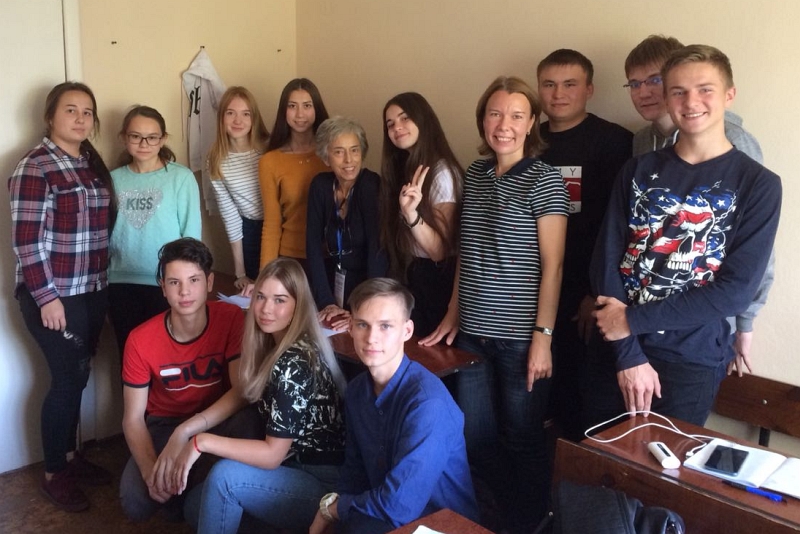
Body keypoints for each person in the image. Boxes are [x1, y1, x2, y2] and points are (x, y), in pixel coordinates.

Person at [591, 45, 782, 427]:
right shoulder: (637, 168)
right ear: (667, 98)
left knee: (665, 463)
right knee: (591, 460)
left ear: (729, 95)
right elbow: (605, 261)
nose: (691, 101)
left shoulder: (760, 184)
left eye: (705, 89)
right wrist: (628, 351)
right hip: (614, 348)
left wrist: (630, 321)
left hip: (689, 359)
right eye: (678, 91)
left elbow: (735, 291)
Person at [421, 76, 569, 532]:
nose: (504, 124)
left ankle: (532, 522)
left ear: (531, 123)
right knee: (477, 438)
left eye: (516, 115)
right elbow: (467, 252)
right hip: (472, 335)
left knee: (523, 438)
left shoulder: (545, 179)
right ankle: (500, 518)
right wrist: (453, 312)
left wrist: (543, 338)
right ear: (483, 119)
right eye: (495, 113)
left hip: (521, 338)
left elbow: (554, 267)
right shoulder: (477, 173)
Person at [623, 35, 775, 381]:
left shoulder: (734, 142)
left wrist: (745, 321)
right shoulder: (642, 142)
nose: (644, 92)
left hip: (703, 323)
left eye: (654, 80)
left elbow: (757, 243)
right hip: (641, 317)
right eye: (635, 83)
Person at [9, 81, 117, 512]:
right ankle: (55, 473)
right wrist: (47, 298)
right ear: (50, 117)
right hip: (54, 295)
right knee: (66, 380)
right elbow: (27, 241)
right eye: (71, 110)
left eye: (88, 111)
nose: (81, 118)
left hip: (91, 290)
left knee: (80, 376)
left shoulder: (89, 165)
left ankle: (71, 458)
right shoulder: (35, 167)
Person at [187, 258, 347, 534]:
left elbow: (273, 455)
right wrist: (189, 429)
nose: (265, 309)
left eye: (279, 300)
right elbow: (243, 394)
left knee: (223, 479)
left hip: (321, 485)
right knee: (194, 506)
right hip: (292, 467)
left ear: (298, 306)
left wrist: (201, 442)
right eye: (260, 296)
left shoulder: (294, 361)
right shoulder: (274, 343)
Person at [310, 278, 477, 534]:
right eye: (362, 325)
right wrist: (338, 515)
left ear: (407, 331)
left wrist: (334, 509)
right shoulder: (356, 391)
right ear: (350, 327)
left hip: (440, 525)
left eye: (385, 326)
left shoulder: (427, 404)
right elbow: (354, 471)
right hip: (382, 514)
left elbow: (399, 506)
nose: (371, 338)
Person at [535, 49, 633, 440]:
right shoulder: (527, 138)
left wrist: (596, 292)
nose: (558, 94)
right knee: (537, 397)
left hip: (587, 295)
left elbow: (620, 228)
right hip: (532, 288)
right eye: (549, 84)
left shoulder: (615, 142)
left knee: (579, 401)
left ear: (589, 89)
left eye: (569, 84)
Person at [120, 238, 251, 522]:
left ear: (209, 282)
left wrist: (187, 432)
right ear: (163, 287)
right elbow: (132, 419)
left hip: (217, 419)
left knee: (250, 422)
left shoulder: (231, 317)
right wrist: (151, 472)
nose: (185, 291)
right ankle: (188, 487)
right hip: (165, 425)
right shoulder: (140, 340)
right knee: (135, 501)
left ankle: (197, 489)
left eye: (194, 280)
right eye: (174, 282)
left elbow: (241, 391)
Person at [108, 105, 201, 357]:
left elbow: (191, 237)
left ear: (163, 139)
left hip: (166, 284)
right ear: (124, 137)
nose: (144, 144)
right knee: (129, 357)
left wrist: (189, 283)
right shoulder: (112, 179)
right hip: (120, 283)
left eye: (152, 137)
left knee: (166, 358)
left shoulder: (181, 178)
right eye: (135, 136)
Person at [381, 92, 463, 337]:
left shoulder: (442, 173)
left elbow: (440, 251)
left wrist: (411, 214)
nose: (397, 127)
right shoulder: (403, 168)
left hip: (436, 280)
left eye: (405, 118)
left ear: (423, 120)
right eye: (390, 123)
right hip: (410, 274)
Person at [306, 117, 386, 331]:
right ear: (326, 157)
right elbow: (312, 247)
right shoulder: (320, 186)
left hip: (369, 290)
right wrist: (326, 302)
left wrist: (362, 309)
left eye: (355, 150)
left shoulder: (370, 185)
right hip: (332, 286)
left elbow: (377, 253)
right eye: (339, 152)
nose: (349, 160)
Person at [258, 78, 330, 270]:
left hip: (330, 255)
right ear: (284, 111)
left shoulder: (332, 154)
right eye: (292, 106)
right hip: (291, 259)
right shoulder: (270, 161)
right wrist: (266, 274)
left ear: (316, 109)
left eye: (307, 105)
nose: (300, 114)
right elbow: (272, 224)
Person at [207, 86, 270, 290]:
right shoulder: (215, 160)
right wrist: (240, 272)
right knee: (256, 290)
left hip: (279, 226)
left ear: (254, 118)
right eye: (230, 113)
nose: (238, 121)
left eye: (245, 114)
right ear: (221, 117)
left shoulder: (269, 149)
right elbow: (230, 215)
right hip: (250, 229)